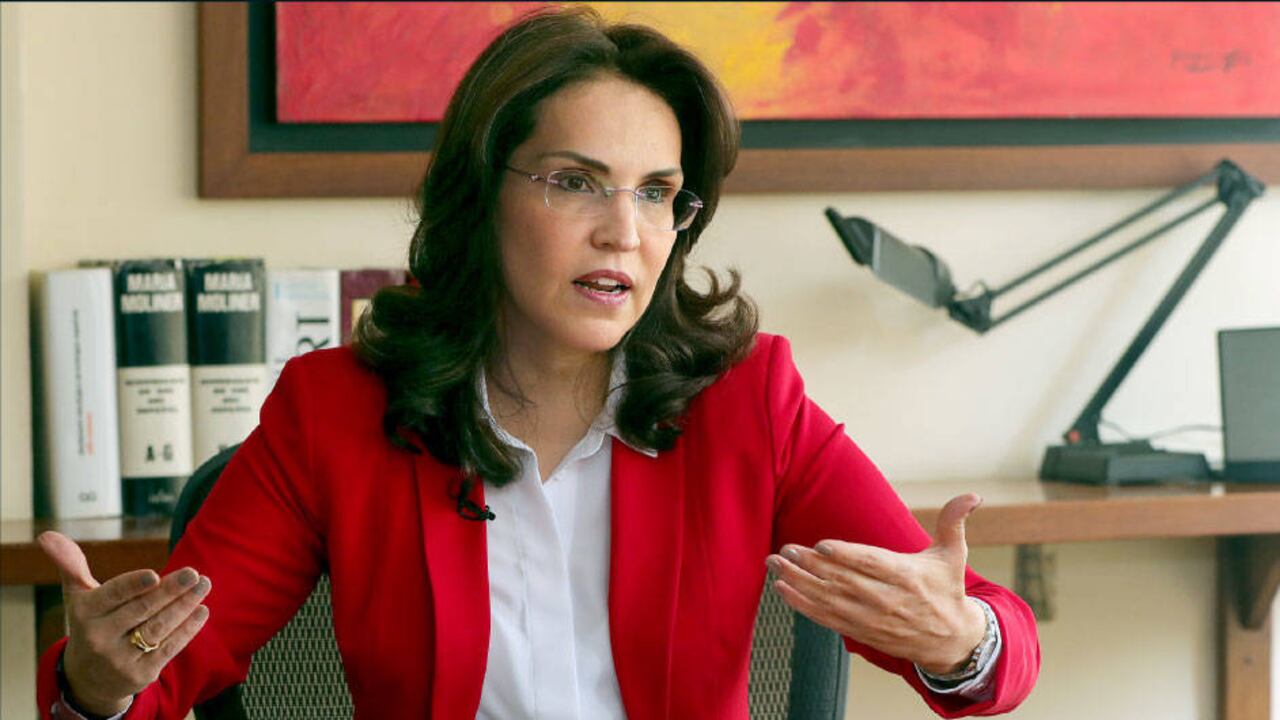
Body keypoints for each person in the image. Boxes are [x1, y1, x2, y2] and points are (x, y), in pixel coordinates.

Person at [36, 6, 1039, 718]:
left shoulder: (749, 403)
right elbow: (162, 666)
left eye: (657, 194)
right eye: (574, 183)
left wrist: (959, 639)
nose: (623, 232)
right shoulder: (334, 412)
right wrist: (98, 680)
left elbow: (991, 644)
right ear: (483, 197)